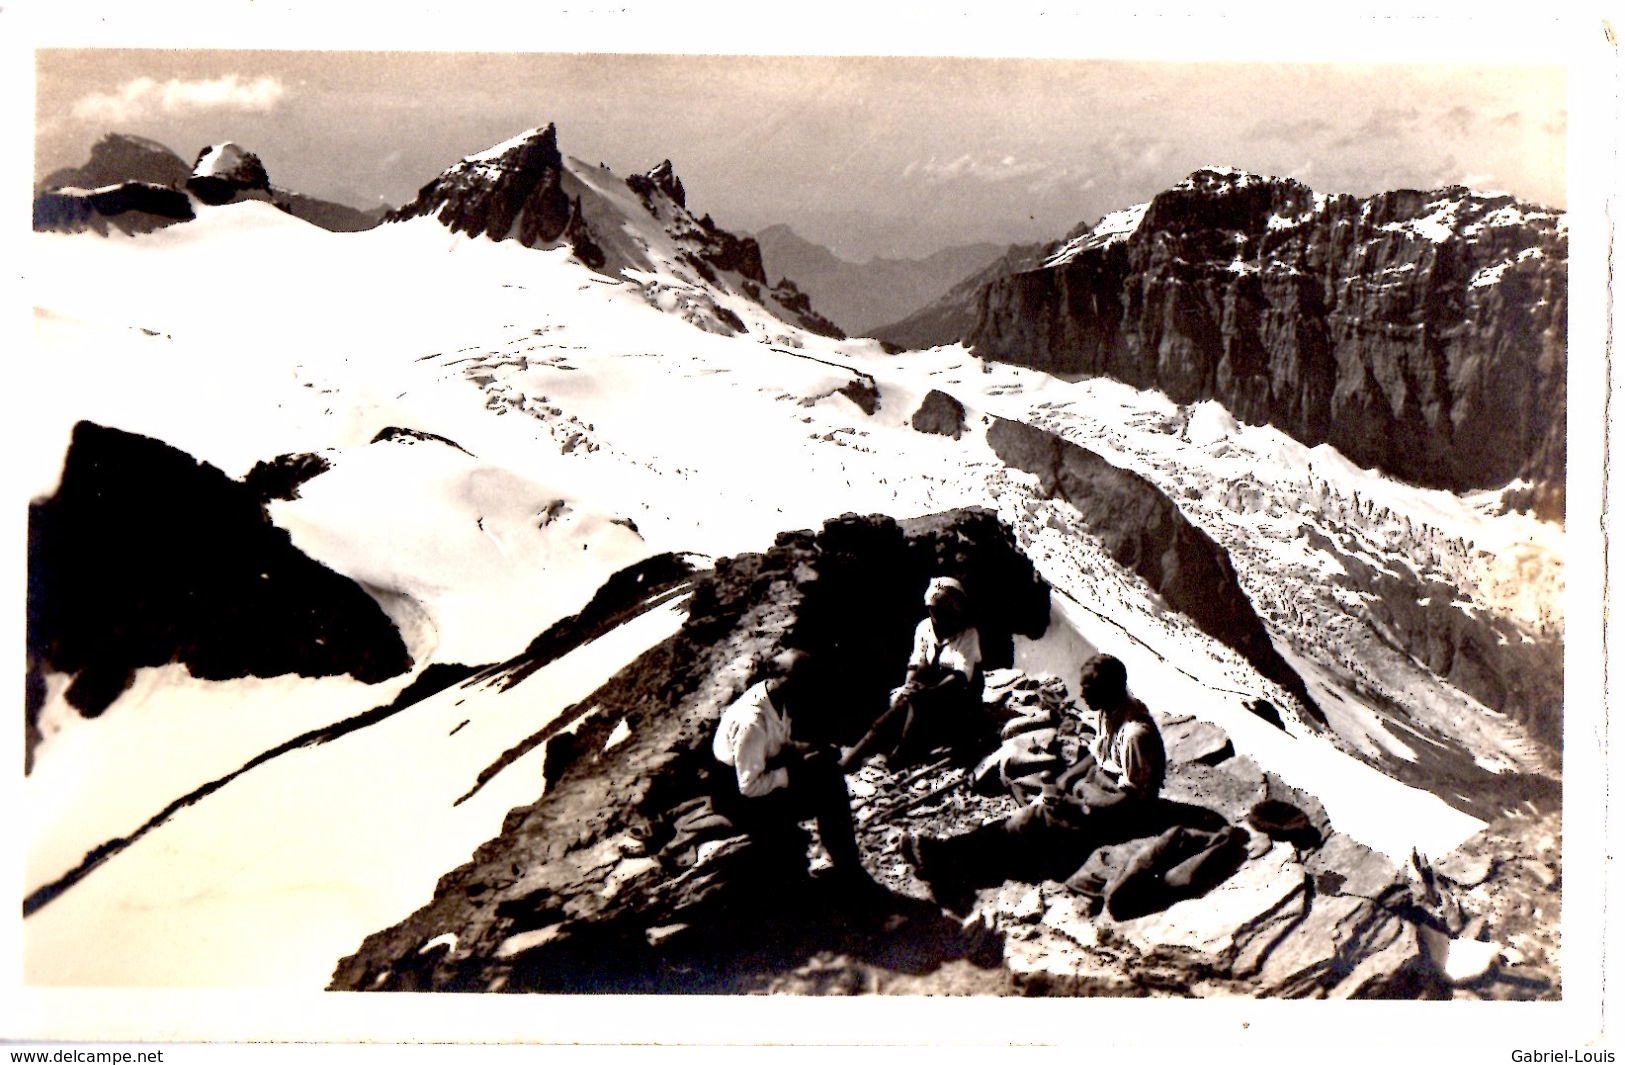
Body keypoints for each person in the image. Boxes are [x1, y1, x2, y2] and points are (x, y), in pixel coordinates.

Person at [904, 652, 1168, 893]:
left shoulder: (1135, 734)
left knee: (1026, 826)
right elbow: (1095, 756)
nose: (1081, 693)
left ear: (1107, 690)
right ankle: (944, 855)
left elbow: (1133, 803)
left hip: (1119, 815)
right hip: (1096, 793)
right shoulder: (1108, 711)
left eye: (1088, 688)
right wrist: (1064, 782)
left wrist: (1080, 804)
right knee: (1028, 813)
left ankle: (944, 861)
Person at [712, 648, 877, 891]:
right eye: (801, 681)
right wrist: (793, 773)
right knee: (828, 788)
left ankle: (846, 863)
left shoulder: (779, 698)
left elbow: (778, 744)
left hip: (762, 772)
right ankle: (849, 872)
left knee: (827, 771)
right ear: (779, 679)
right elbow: (749, 786)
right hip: (737, 796)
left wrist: (808, 751)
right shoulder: (752, 722)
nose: (807, 688)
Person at [839, 576, 983, 770]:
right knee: (900, 704)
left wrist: (926, 693)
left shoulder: (968, 633)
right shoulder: (924, 628)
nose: (937, 616)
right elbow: (917, 663)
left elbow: (961, 676)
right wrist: (909, 686)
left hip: (958, 694)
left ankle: (900, 757)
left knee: (918, 704)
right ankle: (853, 758)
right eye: (933, 610)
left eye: (943, 611)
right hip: (930, 686)